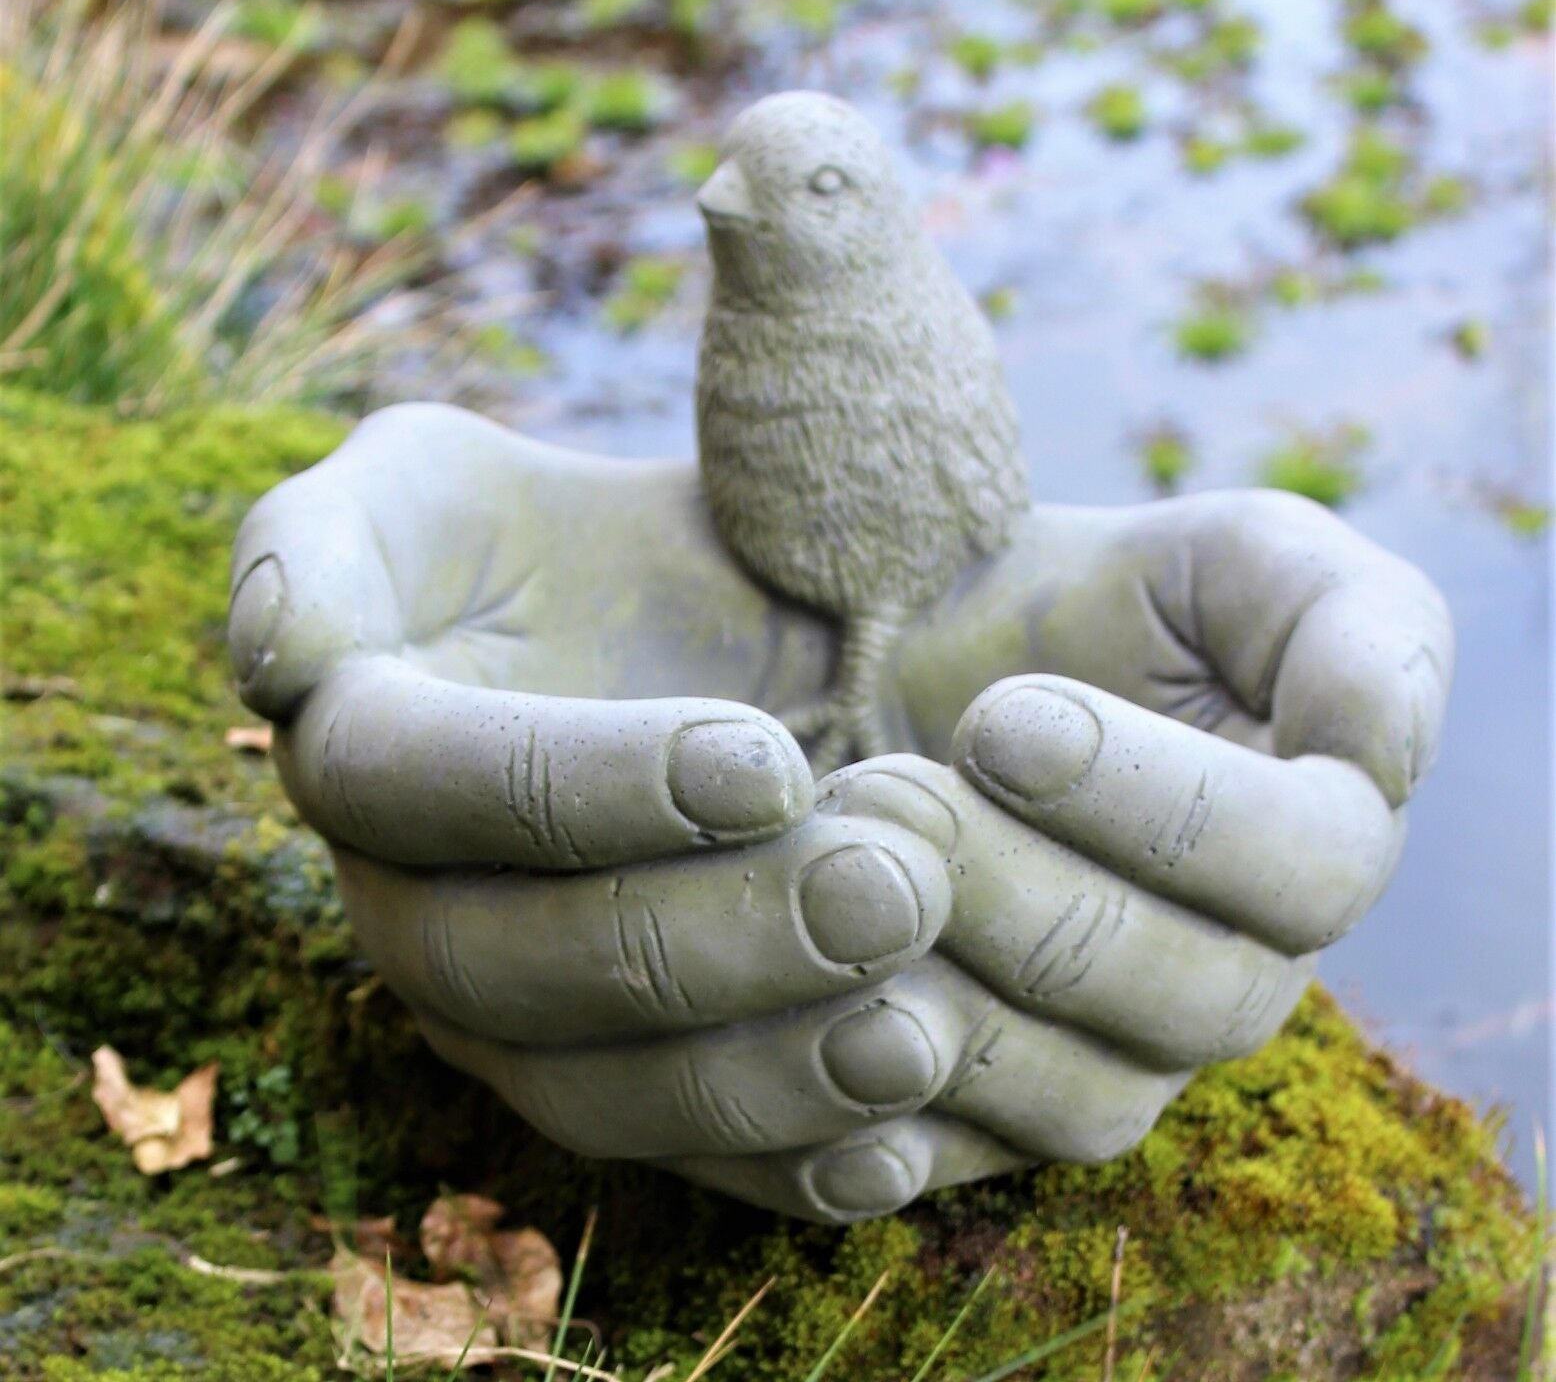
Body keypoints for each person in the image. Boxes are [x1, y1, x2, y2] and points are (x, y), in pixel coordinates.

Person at [229, 401, 1452, 1223]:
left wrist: (955, 583)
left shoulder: (1168, 610)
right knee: (840, 869)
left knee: (919, 849)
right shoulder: (497, 530)